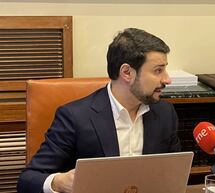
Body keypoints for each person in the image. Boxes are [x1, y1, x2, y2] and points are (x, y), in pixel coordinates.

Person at [17, 28, 181, 193]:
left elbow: (174, 173)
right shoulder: (75, 117)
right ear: (127, 73)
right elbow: (28, 180)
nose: (167, 79)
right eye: (158, 70)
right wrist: (58, 182)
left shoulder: (165, 113)